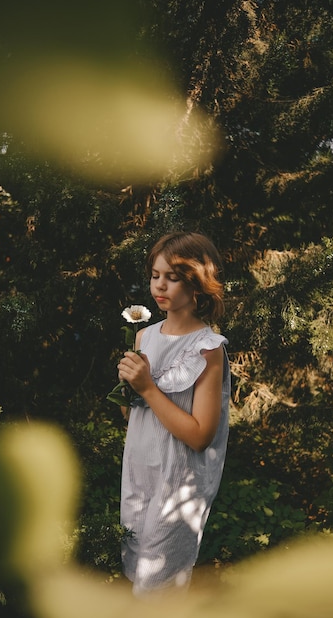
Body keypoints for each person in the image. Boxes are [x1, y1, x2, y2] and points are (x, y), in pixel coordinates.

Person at [117, 231, 231, 597]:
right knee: (138, 575)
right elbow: (135, 416)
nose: (159, 285)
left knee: (157, 587)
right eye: (155, 275)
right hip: (140, 475)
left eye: (173, 277)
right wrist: (129, 389)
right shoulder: (143, 336)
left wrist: (148, 388)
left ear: (197, 285)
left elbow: (200, 435)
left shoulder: (207, 349)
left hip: (178, 484)